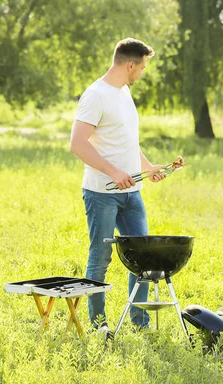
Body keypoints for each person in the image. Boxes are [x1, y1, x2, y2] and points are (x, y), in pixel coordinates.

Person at [70, 37, 166, 334]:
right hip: (102, 194)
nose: (142, 73)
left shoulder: (124, 92)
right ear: (130, 64)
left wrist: (147, 168)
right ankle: (100, 327)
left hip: (131, 193)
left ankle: (140, 323)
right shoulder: (95, 95)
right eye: (142, 68)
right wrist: (112, 171)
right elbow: (77, 144)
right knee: (100, 259)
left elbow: (125, 142)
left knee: (144, 258)